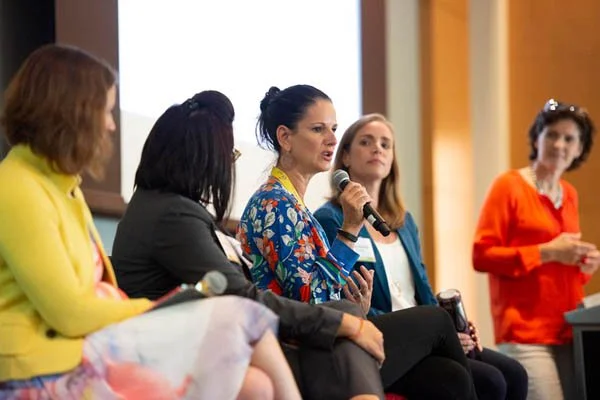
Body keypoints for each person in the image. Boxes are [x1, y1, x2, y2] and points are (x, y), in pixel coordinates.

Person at [0, 44, 302, 400]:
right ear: (71, 112)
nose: (112, 125)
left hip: (78, 351)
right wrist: (158, 311)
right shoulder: (16, 188)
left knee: (257, 386)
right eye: (105, 111)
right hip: (42, 368)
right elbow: (69, 313)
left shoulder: (61, 186)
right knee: (240, 314)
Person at [111, 90, 387, 400]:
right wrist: (346, 315)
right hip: (178, 349)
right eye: (228, 154)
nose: (228, 165)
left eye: (334, 129)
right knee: (359, 325)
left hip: (219, 338)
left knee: (357, 323)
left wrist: (347, 315)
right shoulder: (179, 213)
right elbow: (253, 298)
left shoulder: (169, 208)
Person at [237, 84, 479, 399]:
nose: (332, 140)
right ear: (285, 138)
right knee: (435, 321)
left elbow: (321, 291)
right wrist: (351, 227)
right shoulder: (275, 204)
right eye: (318, 129)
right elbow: (310, 302)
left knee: (452, 378)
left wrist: (357, 306)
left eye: (334, 129)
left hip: (328, 339)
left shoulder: (293, 203)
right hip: (306, 351)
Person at [313, 113, 529, 400]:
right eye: (366, 142)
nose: (377, 149)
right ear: (347, 158)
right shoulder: (332, 218)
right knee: (490, 381)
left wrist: (454, 328)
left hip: (430, 332)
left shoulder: (404, 222)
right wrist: (424, 327)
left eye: (385, 144)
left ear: (392, 161)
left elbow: (423, 288)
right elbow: (346, 295)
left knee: (515, 372)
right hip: (391, 333)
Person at [472, 98, 599, 400]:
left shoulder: (569, 194)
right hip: (525, 333)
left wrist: (584, 267)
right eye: (552, 134)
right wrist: (548, 251)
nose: (560, 145)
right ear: (537, 138)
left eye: (570, 139)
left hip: (568, 329)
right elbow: (481, 255)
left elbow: (556, 270)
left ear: (580, 149)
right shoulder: (509, 186)